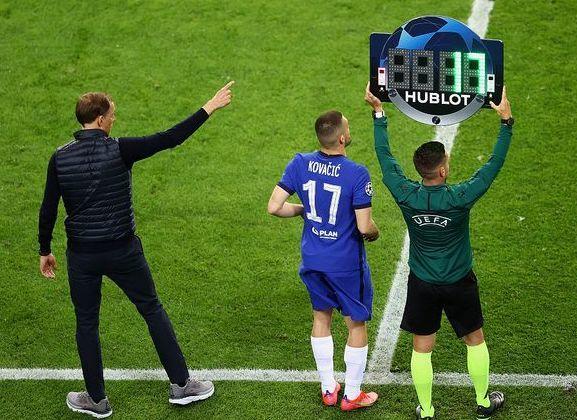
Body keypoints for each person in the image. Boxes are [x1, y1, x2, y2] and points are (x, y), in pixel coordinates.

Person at [38, 81, 234, 418]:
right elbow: (170, 138)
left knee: (87, 323)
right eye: (112, 115)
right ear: (100, 119)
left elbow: (48, 209)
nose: (114, 120)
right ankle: (181, 385)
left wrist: (45, 249)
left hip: (82, 256)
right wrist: (209, 107)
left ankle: (96, 400)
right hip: (123, 251)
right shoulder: (121, 149)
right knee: (152, 309)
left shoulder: (60, 158)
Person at [364, 83, 513, 419]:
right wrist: (506, 123)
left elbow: (385, 159)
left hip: (422, 283)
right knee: (474, 339)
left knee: (422, 348)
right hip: (459, 280)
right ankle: (483, 402)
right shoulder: (460, 197)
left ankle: (427, 410)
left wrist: (379, 114)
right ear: (443, 170)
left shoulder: (405, 194)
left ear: (421, 170)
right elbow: (492, 166)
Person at [267, 110, 380, 411]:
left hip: (313, 259)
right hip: (345, 264)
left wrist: (302, 211)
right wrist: (375, 232)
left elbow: (274, 207)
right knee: (355, 324)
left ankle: (328, 388)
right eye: (348, 127)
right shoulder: (357, 173)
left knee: (321, 317)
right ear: (342, 138)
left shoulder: (300, 163)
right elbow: (364, 227)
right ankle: (352, 395)